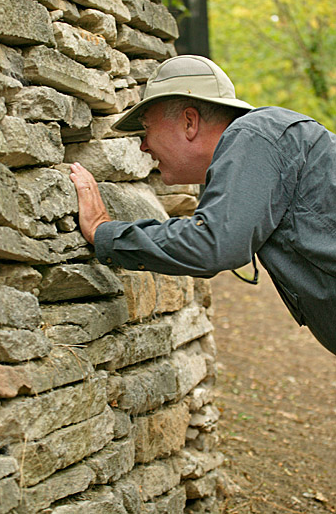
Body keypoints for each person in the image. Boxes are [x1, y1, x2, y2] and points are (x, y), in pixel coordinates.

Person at [70, 55, 336, 356]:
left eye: (146, 128)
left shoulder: (255, 134)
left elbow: (213, 243)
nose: (143, 145)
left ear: (189, 122)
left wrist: (103, 231)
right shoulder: (264, 145)